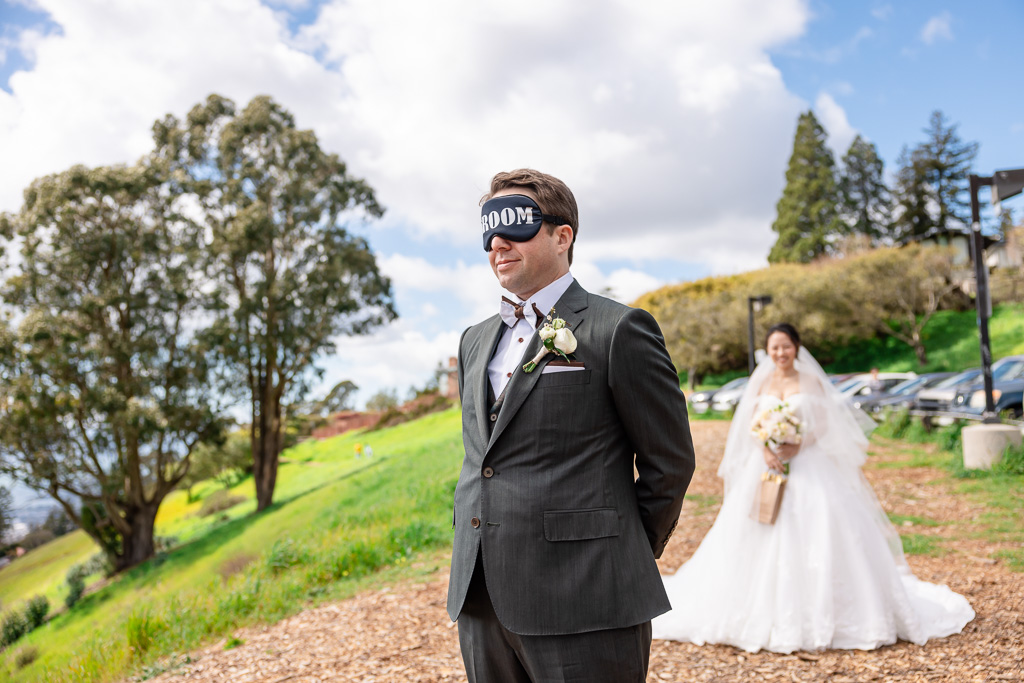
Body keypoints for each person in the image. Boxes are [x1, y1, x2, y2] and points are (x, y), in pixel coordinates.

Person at [447, 169, 695, 682]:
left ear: (563, 237)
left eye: (514, 225)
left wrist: (616, 552)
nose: (497, 242)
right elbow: (484, 459)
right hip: (480, 597)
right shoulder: (473, 341)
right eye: (488, 231)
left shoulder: (619, 329)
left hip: (588, 597)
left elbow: (669, 464)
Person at [653, 323, 974, 653]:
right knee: (754, 527)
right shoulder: (761, 380)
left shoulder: (810, 380)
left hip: (807, 463)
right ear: (768, 351)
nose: (781, 353)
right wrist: (764, 447)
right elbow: (749, 424)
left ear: (797, 347)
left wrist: (799, 443)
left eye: (786, 346)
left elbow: (825, 422)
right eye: (775, 348)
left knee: (821, 525)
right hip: (765, 466)